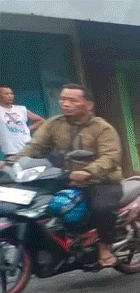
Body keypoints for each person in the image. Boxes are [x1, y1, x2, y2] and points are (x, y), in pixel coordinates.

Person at [5, 83, 122, 267]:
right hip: (64, 178)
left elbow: (111, 156)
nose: (66, 104)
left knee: (102, 208)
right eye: (63, 100)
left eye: (72, 100)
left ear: (88, 104)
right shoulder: (54, 124)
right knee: (37, 202)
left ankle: (105, 246)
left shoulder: (102, 128)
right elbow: (35, 147)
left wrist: (88, 172)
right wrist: (11, 162)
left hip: (101, 181)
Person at [0, 85, 43, 157]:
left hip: (28, 149)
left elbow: (41, 121)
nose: (10, 96)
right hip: (11, 152)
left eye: (11, 93)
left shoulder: (21, 109)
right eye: (6, 94)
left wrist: (28, 128)